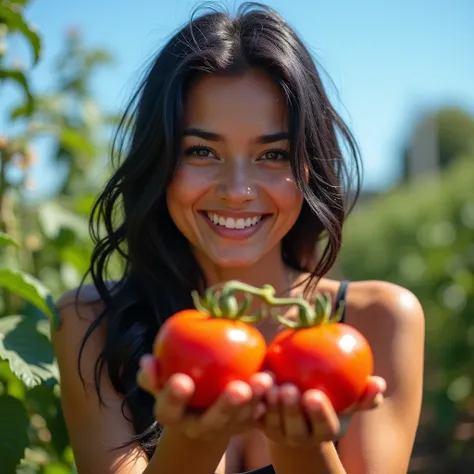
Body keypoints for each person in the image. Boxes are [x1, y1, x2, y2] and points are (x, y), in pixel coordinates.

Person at [52, 2, 425, 473]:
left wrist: (299, 445)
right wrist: (193, 439)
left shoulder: (378, 322)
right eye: (202, 150)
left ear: (309, 166)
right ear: (160, 160)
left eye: (273, 155)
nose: (236, 191)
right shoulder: (89, 323)